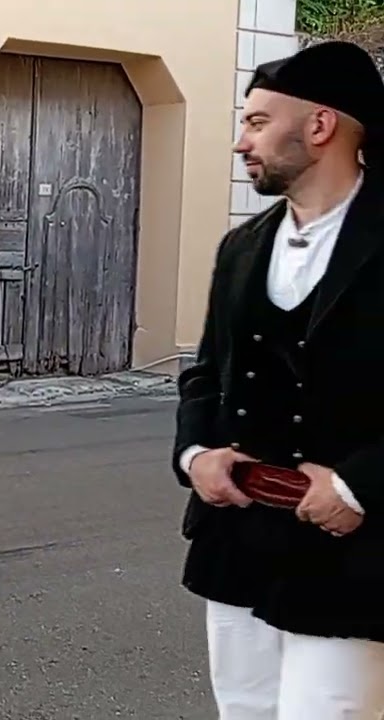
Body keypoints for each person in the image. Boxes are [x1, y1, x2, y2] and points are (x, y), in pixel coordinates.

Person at [173, 40, 384, 718]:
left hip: (357, 554)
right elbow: (206, 373)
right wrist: (196, 453)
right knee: (245, 712)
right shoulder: (242, 246)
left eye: (258, 122)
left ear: (321, 126)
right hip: (240, 537)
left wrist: (358, 484)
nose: (241, 142)